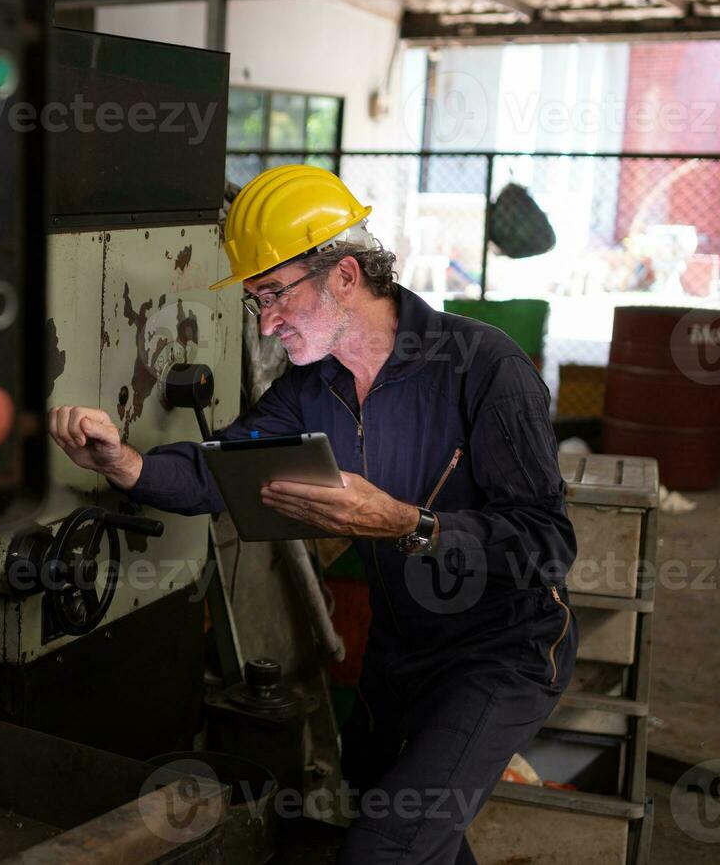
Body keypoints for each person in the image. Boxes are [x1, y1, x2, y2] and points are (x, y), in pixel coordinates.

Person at [48, 165, 577, 865]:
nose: (264, 323)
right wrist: (126, 465)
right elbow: (222, 466)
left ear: (345, 276)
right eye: (253, 302)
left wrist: (406, 523)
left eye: (273, 295)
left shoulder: (481, 367)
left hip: (502, 648)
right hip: (404, 645)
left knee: (386, 845)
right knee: (400, 820)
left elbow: (546, 545)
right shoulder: (309, 388)